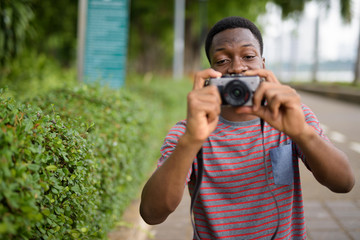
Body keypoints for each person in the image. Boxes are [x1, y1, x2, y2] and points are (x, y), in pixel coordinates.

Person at [139, 16, 355, 239]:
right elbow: (151, 214)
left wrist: (302, 132)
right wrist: (191, 140)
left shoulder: (294, 116)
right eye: (222, 60)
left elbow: (344, 183)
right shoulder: (187, 132)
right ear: (210, 72)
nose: (237, 67)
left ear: (263, 63)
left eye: (248, 56)